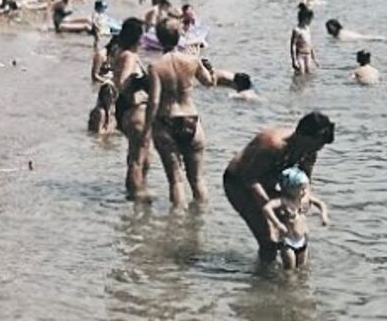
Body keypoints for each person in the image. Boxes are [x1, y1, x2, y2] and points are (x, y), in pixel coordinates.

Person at [223, 111, 335, 263]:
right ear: (303, 135)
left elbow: (306, 180)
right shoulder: (273, 144)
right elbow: (250, 179)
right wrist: (271, 214)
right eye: (316, 144)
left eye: (320, 146)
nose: (318, 149)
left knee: (293, 232)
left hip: (266, 184)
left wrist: (303, 200)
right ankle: (263, 275)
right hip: (238, 182)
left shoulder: (310, 151)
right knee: (268, 240)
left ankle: (290, 272)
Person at [144, 17, 216, 208]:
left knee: (176, 180)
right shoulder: (192, 60)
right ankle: (200, 220)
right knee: (198, 179)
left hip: (167, 120)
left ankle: (177, 220)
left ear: (158, 38)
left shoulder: (155, 66)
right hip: (192, 120)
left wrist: (146, 129)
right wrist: (210, 69)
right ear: (179, 36)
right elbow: (209, 83)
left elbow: (154, 100)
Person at [109, 18, 152, 200]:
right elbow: (122, 82)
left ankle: (135, 193)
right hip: (134, 109)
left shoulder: (123, 53)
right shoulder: (129, 56)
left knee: (141, 156)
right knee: (138, 158)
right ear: (137, 37)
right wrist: (140, 90)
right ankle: (137, 197)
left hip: (128, 110)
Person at [260, 166, 330, 270]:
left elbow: (321, 204)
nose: (304, 192)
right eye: (301, 189)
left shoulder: (303, 200)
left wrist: (324, 216)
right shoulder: (284, 201)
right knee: (290, 270)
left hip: (303, 241)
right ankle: (287, 280)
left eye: (305, 188)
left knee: (302, 269)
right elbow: (266, 208)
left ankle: (300, 281)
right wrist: (278, 224)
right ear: (290, 189)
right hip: (288, 242)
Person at [291, 5, 319, 75]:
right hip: (300, 55)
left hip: (308, 55)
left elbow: (310, 44)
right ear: (305, 19)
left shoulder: (307, 29)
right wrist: (294, 60)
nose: (311, 21)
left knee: (309, 73)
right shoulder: (297, 30)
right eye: (310, 19)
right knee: (301, 73)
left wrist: (314, 58)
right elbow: (293, 45)